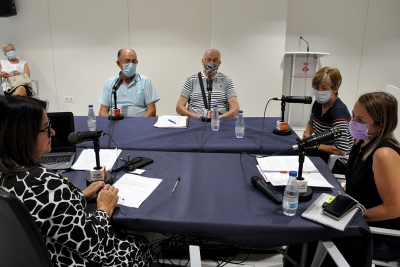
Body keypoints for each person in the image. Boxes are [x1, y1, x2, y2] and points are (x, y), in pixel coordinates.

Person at [0, 96, 152, 267]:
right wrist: (104, 209)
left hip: (34, 255)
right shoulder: (43, 183)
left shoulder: (7, 174)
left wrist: (78, 196)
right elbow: (95, 245)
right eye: (46, 128)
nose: (53, 132)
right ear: (23, 136)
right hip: (66, 259)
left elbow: (44, 211)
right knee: (139, 245)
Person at [345, 91, 400, 261]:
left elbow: (394, 208)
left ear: (380, 126)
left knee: (318, 239)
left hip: (384, 236)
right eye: (353, 115)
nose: (353, 123)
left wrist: (354, 217)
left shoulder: (384, 154)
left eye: (360, 120)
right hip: (362, 222)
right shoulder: (361, 142)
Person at [303, 67, 352, 166]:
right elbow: (311, 122)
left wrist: (315, 145)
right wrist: (307, 135)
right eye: (317, 88)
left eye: (324, 88)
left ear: (335, 89)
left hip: (335, 160)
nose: (319, 91)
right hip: (320, 151)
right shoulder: (318, 103)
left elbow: (341, 150)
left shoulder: (339, 113)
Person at [176, 48, 239, 118]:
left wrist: (220, 117)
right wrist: (193, 116)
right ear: (202, 61)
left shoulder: (226, 81)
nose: (211, 63)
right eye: (208, 60)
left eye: (215, 60)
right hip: (195, 121)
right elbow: (179, 107)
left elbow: (236, 109)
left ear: (219, 63)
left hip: (220, 122)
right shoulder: (191, 80)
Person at [98, 48, 160, 117]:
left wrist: (139, 125)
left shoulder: (145, 81)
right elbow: (102, 112)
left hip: (139, 124)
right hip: (115, 124)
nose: (131, 64)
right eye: (127, 61)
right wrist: (112, 122)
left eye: (134, 61)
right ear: (119, 63)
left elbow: (151, 110)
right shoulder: (110, 83)